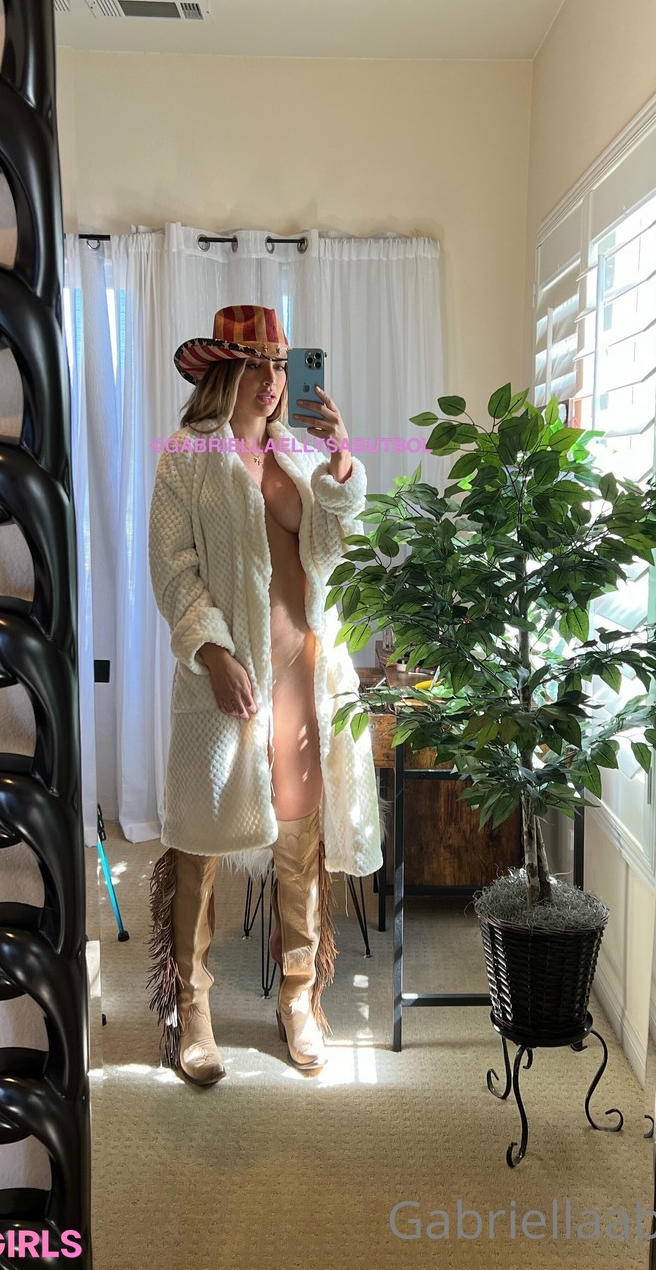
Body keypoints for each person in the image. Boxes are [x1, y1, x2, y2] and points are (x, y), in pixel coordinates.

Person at [146, 304, 382, 1083]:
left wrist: (341, 465)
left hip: (303, 674)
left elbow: (336, 550)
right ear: (225, 371)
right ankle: (194, 1008)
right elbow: (173, 569)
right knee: (200, 845)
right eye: (257, 365)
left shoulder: (301, 456)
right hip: (225, 678)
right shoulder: (188, 457)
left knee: (300, 843)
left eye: (281, 365)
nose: (273, 381)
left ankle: (299, 998)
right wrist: (213, 653)